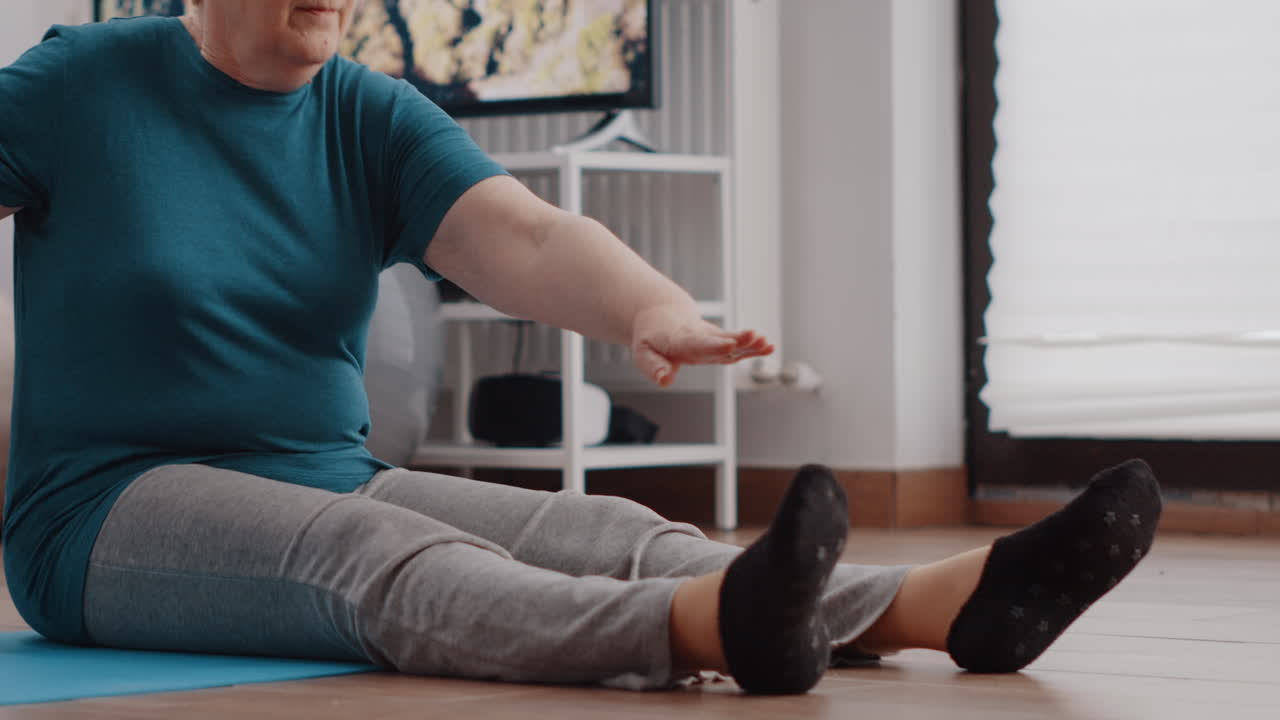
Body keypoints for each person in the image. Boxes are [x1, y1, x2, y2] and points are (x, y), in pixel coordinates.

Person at [0, 0, 1164, 695]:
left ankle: (937, 603)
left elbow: (524, 233)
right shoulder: (82, 84)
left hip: (323, 470)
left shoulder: (366, 112)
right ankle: (700, 630)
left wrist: (650, 309)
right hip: (102, 512)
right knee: (367, 550)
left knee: (589, 526)